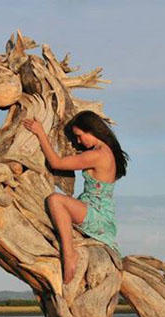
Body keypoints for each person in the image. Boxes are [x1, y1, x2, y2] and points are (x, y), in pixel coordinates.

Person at [22, 110, 129, 284]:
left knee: (55, 200)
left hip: (97, 213)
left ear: (91, 131)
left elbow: (56, 163)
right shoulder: (105, 151)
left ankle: (69, 253)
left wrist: (40, 133)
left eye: (79, 136)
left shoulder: (98, 155)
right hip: (97, 209)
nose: (78, 141)